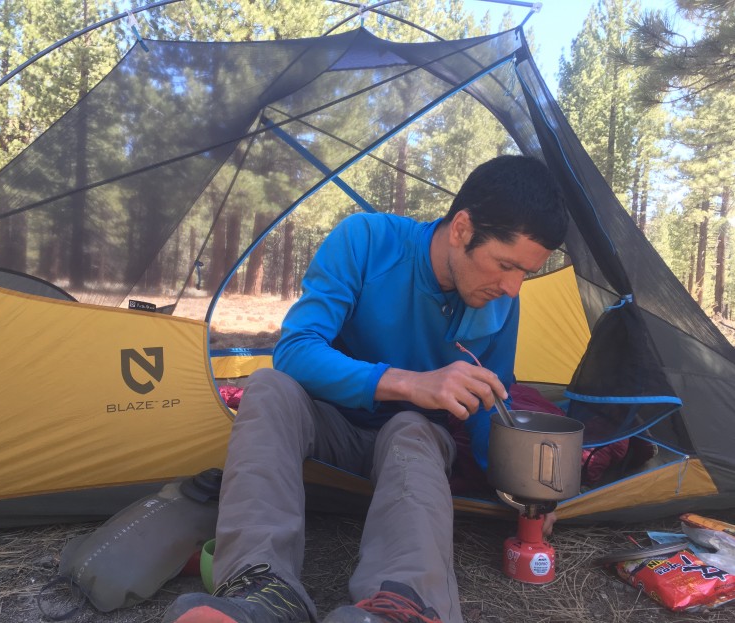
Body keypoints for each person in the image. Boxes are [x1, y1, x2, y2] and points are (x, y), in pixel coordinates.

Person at [162, 155, 569, 623]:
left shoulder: (501, 303)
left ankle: (403, 605)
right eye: (505, 265)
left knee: (412, 429)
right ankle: (262, 593)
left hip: (411, 444)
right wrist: (409, 382)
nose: (513, 288)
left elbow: (490, 404)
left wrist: (521, 489)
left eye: (525, 273)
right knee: (269, 387)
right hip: (330, 425)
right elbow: (295, 349)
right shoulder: (367, 242)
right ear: (461, 229)